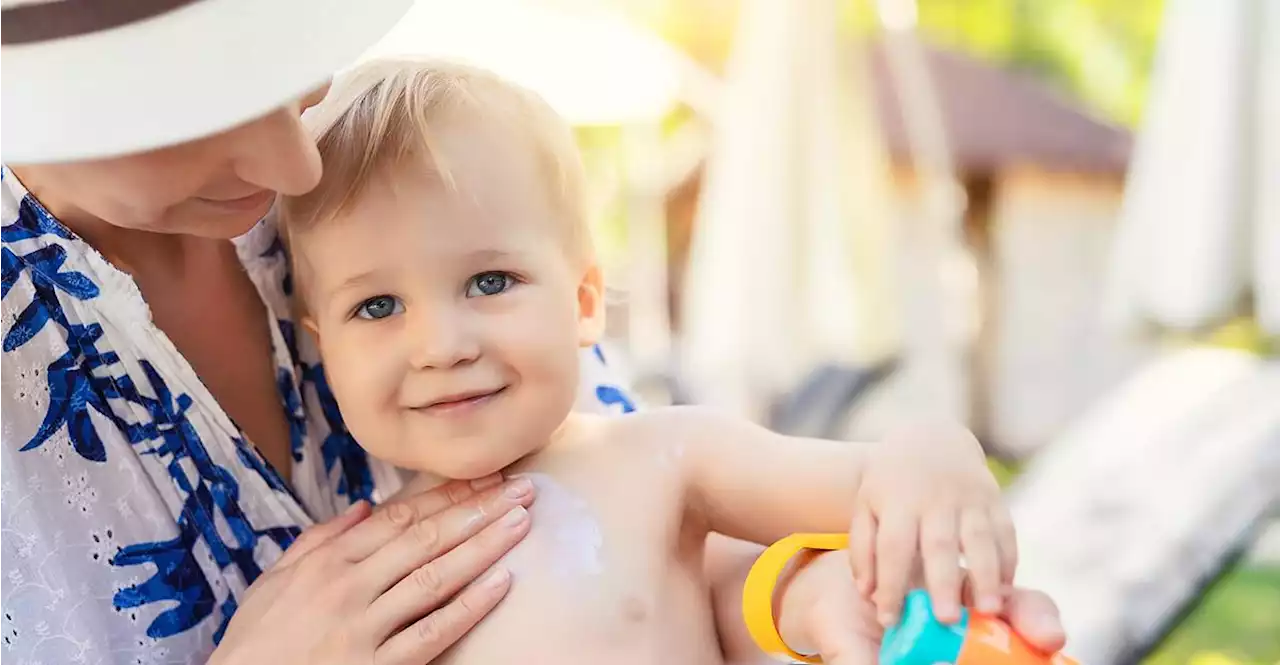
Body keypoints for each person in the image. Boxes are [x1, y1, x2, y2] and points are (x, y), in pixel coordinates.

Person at [0, 2, 1066, 664]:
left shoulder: (384, 202)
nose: (296, 169)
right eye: (203, 102)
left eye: (295, 77)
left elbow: (690, 554)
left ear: (585, 295)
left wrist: (803, 587)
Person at [273, 57, 1016, 664]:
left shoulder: (665, 458)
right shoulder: (350, 586)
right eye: (376, 306)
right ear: (319, 341)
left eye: (489, 281)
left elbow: (874, 485)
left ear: (585, 300)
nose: (441, 346)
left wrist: (933, 452)